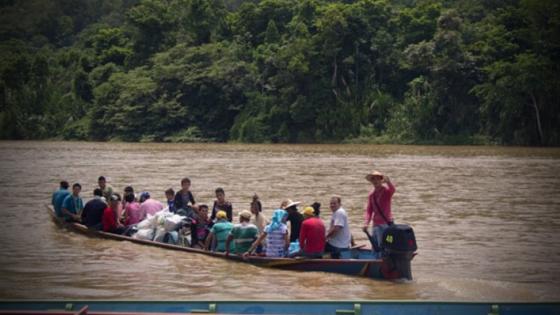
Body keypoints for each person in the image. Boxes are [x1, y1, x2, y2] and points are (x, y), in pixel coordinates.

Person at [362, 170, 396, 257]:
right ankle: (376, 262)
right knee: (375, 246)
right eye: (373, 179)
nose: (375, 181)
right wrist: (366, 223)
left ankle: (385, 262)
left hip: (387, 225)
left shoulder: (386, 191)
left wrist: (388, 181)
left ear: (381, 180)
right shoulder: (371, 194)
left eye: (377, 179)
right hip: (375, 225)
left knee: (387, 245)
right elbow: (369, 210)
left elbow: (393, 190)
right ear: (371, 181)